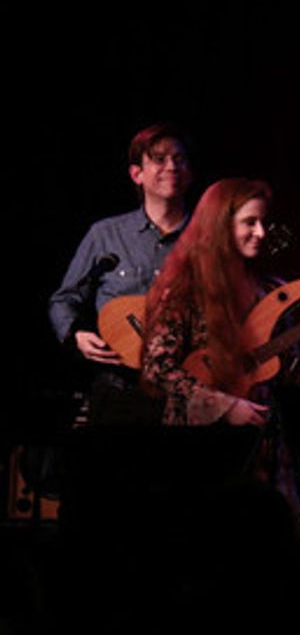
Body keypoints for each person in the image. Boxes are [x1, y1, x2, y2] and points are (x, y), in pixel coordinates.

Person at [50, 124, 193, 421]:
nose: (171, 166)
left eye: (179, 159)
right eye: (159, 159)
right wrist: (76, 335)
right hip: (120, 390)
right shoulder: (105, 235)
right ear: (136, 174)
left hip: (191, 390)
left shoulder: (207, 239)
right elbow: (63, 299)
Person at [140, 178, 274, 427]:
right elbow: (157, 367)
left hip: (261, 433)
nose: (261, 232)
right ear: (221, 225)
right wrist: (225, 406)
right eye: (250, 223)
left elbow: (289, 362)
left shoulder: (268, 288)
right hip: (201, 437)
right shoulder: (186, 288)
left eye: (264, 222)